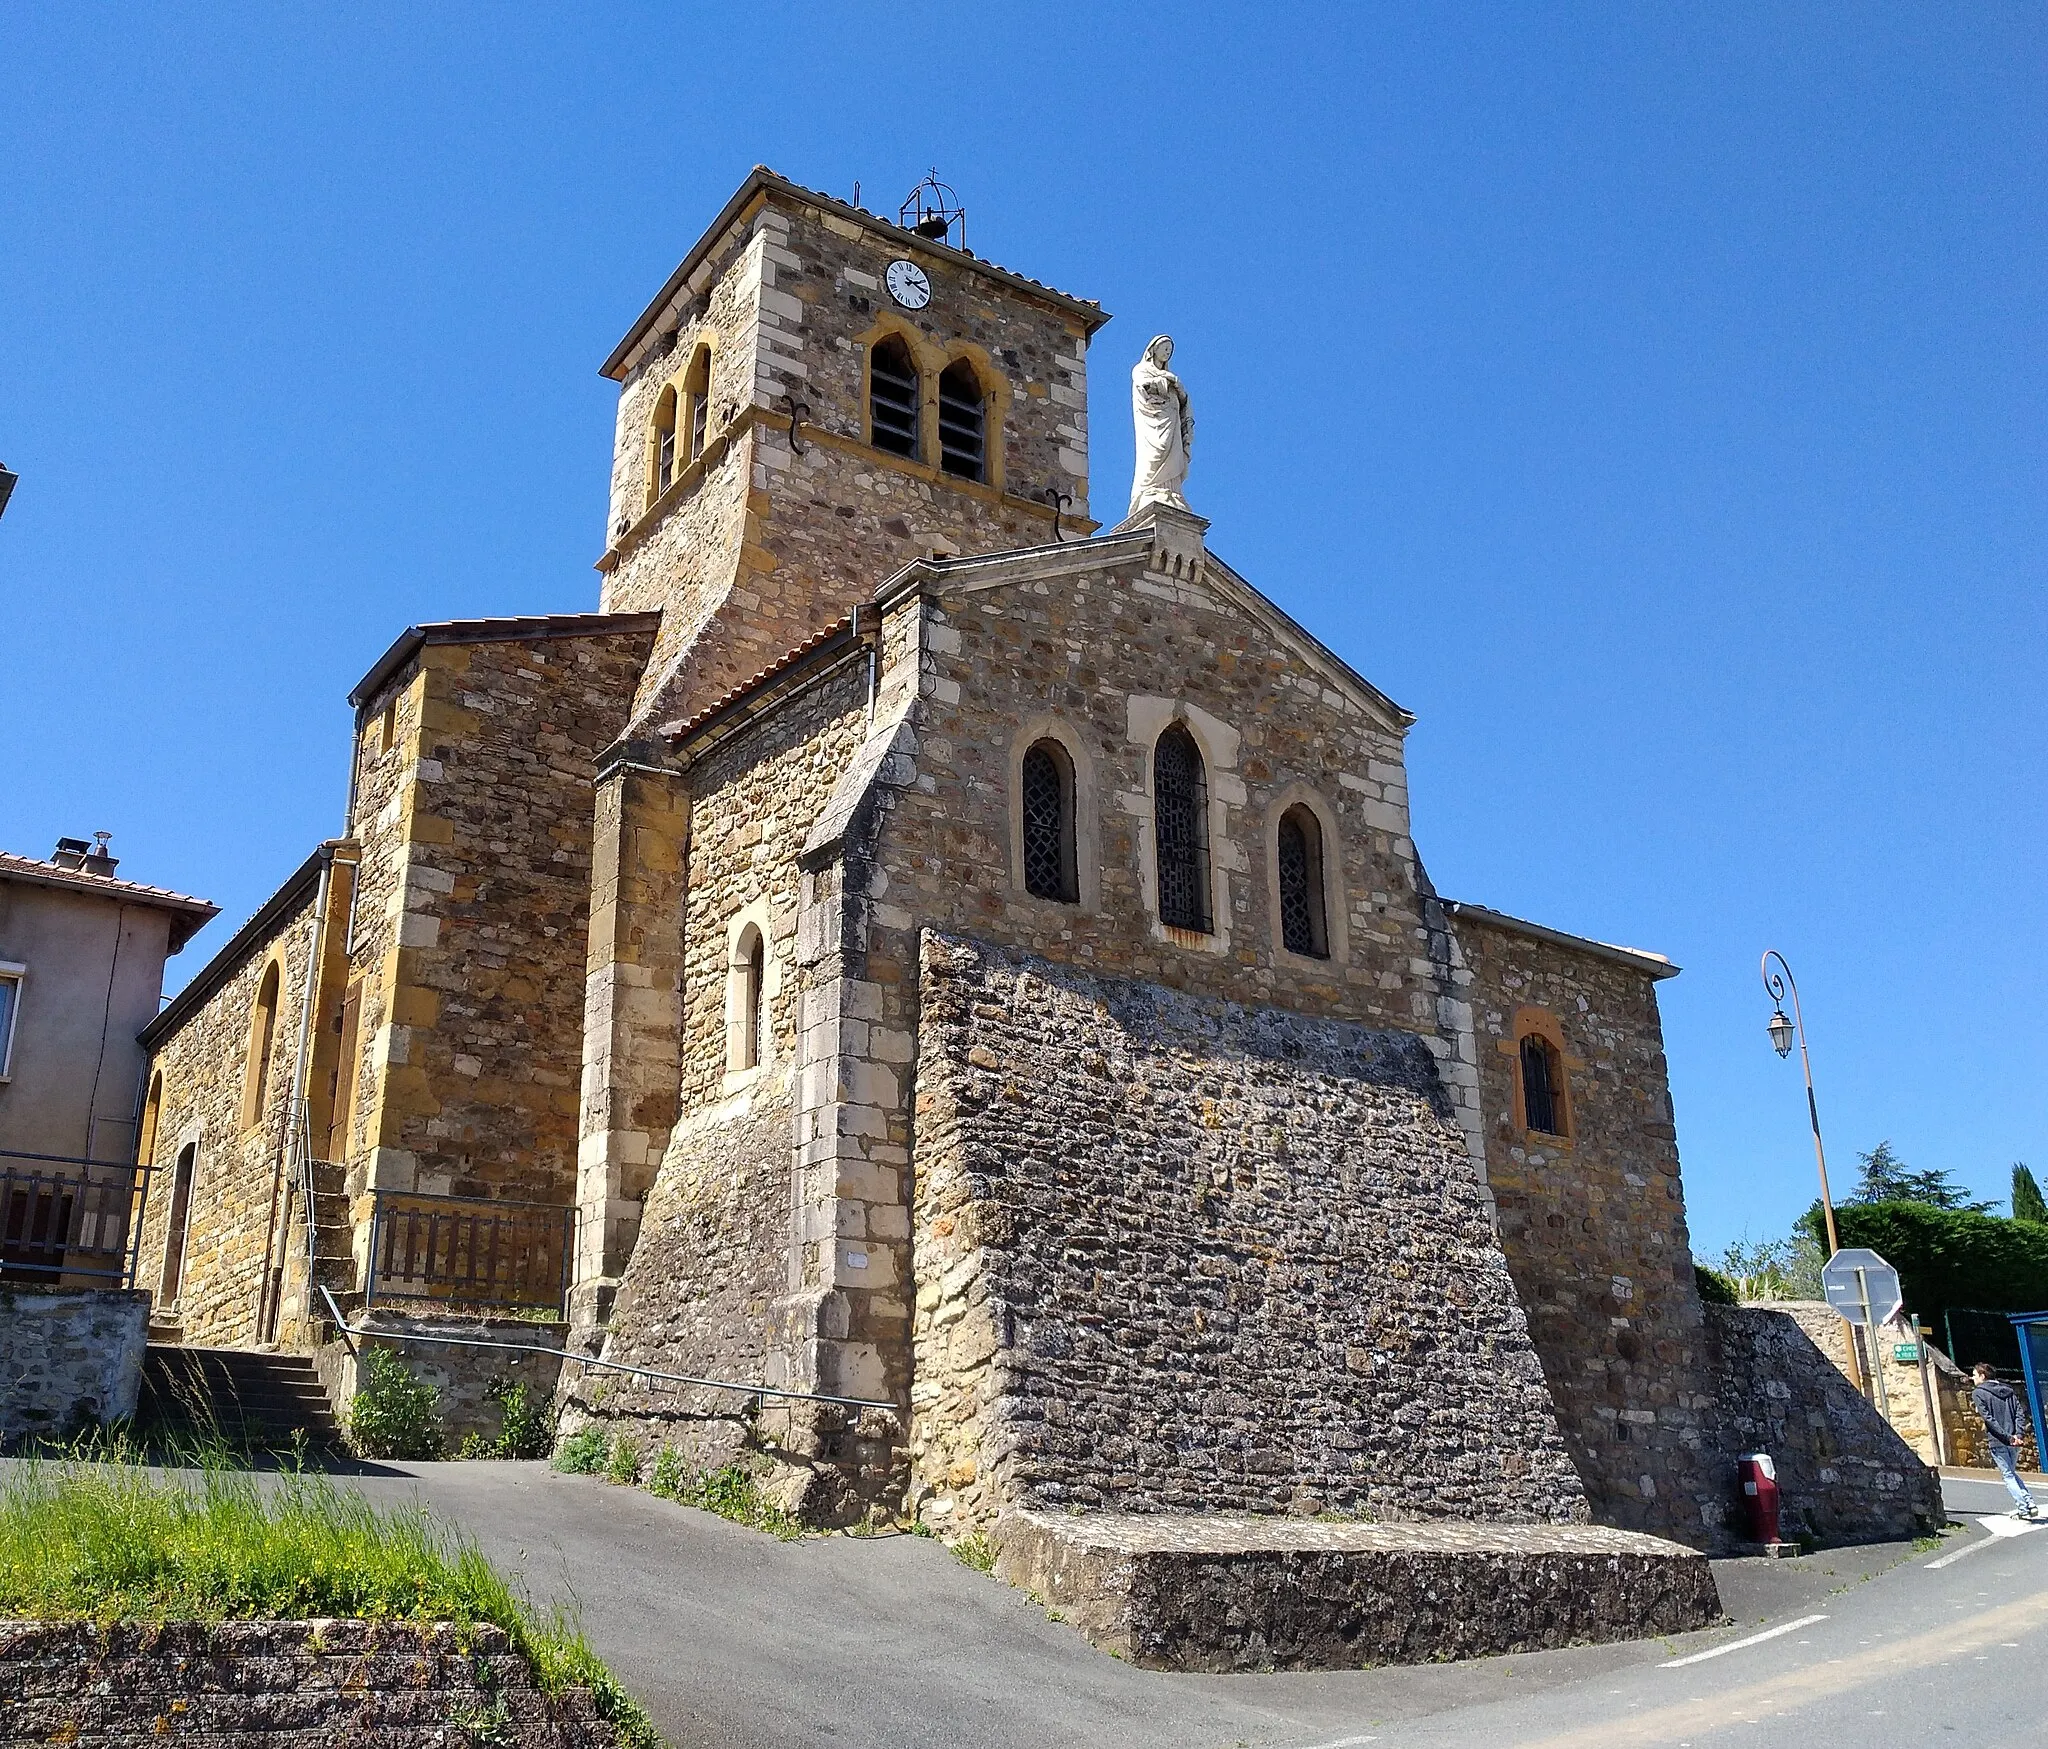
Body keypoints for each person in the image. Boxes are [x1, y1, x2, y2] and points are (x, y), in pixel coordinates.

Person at [1970, 1362, 2039, 1520]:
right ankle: (2030, 1504)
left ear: (1982, 1376)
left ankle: (2023, 1508)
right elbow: (2019, 1414)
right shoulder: (2008, 1390)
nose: (1972, 1378)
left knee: (2008, 1475)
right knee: (2012, 1473)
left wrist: (2007, 1437)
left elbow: (1989, 1420)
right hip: (2015, 1441)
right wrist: (2018, 1435)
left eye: (1974, 1375)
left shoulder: (1979, 1393)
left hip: (1999, 1440)